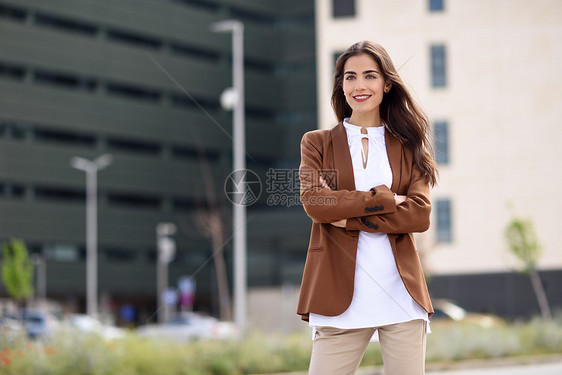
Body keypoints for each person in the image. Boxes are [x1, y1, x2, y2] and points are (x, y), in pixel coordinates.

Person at [297, 41, 439, 375]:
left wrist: (347, 217)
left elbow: (419, 214)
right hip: (338, 297)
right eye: (350, 77)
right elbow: (316, 204)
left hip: (401, 296)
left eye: (370, 76)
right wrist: (389, 199)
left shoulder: (408, 146)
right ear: (341, 85)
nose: (359, 85)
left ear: (386, 84)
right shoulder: (317, 143)